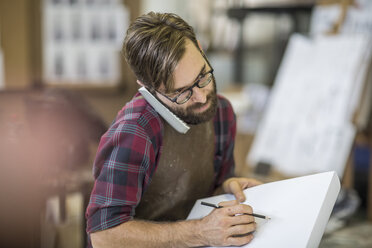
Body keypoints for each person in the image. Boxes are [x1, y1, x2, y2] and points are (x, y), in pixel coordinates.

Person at [86, 12, 261, 248]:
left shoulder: (220, 111)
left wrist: (226, 187)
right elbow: (104, 237)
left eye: (202, 76)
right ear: (147, 87)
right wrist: (200, 232)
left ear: (200, 49)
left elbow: (210, 191)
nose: (202, 97)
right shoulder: (134, 131)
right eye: (181, 92)